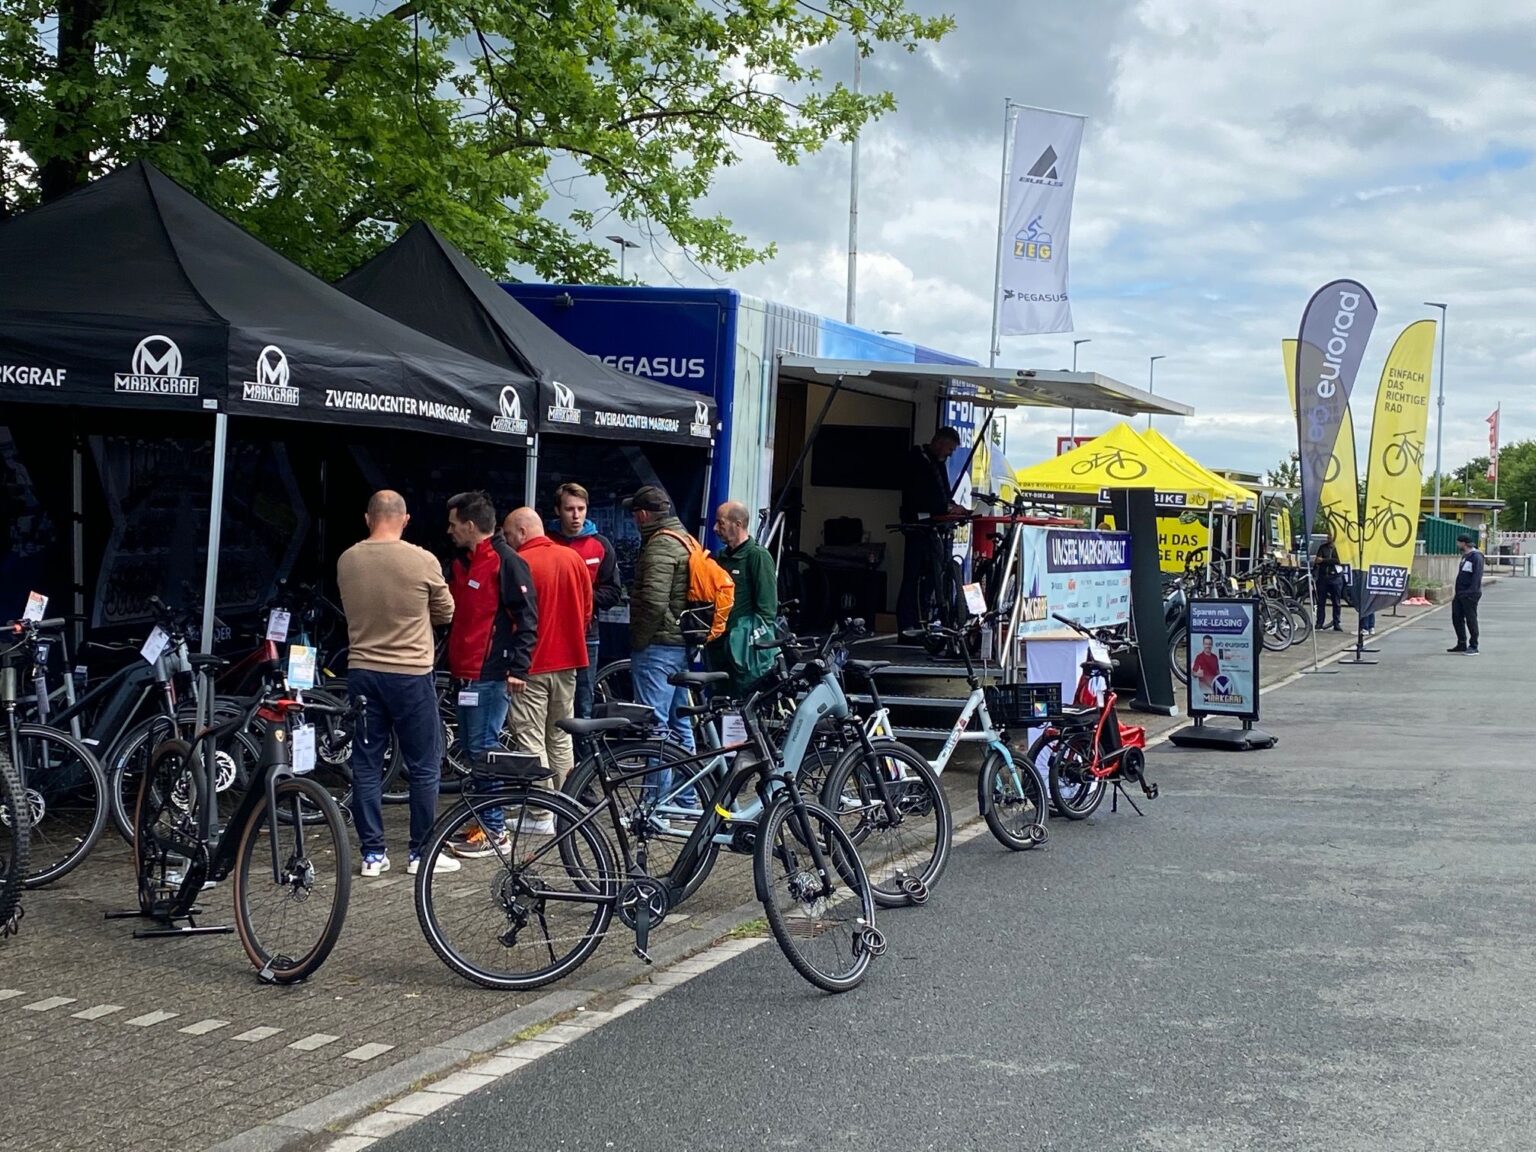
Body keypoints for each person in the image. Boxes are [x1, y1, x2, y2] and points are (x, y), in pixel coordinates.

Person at [336, 490, 457, 878]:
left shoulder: (347, 560)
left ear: (367, 518)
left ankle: (373, 854)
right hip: (410, 673)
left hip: (363, 672)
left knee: (367, 763)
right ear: (405, 520)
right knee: (423, 765)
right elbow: (446, 611)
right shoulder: (422, 560)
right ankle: (421, 853)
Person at [443, 490, 537, 858]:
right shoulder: (463, 562)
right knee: (473, 749)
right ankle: (485, 821)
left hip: (490, 673)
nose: (448, 531)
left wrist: (519, 667)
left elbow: (528, 616)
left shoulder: (506, 561)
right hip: (465, 673)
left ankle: (495, 829)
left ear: (469, 525)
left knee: (483, 750)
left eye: (453, 524)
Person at [501, 507, 593, 831]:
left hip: (531, 665)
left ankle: (541, 815)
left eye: (509, 534)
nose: (508, 542)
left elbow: (514, 618)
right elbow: (586, 610)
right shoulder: (572, 559)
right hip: (569, 660)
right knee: (559, 736)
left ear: (523, 531)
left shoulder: (519, 564)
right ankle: (564, 809)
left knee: (529, 736)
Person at [624, 484, 696, 752]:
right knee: (681, 724)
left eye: (634, 514)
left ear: (643, 515)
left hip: (658, 647)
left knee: (655, 727)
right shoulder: (684, 538)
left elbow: (654, 602)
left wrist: (639, 640)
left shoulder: (660, 546)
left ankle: (656, 794)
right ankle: (687, 793)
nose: (633, 519)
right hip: (680, 645)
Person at [547, 482, 622, 719]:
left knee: (582, 701)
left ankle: (585, 755)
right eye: (570, 509)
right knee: (549, 699)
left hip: (586, 634)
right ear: (558, 510)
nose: (576, 515)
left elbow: (613, 593)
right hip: (549, 633)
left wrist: (579, 597)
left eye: (581, 508)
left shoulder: (600, 545)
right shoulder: (546, 541)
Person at [896, 427, 968, 633]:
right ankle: (908, 625)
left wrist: (953, 507)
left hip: (936, 527)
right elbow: (917, 497)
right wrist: (946, 507)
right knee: (913, 576)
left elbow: (943, 494)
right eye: (950, 449)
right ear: (939, 442)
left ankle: (927, 620)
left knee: (932, 577)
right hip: (918, 527)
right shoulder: (917, 460)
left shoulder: (938, 464)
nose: (950, 454)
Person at [708, 501, 778, 696]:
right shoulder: (719, 558)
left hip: (743, 655)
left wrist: (743, 640)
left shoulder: (758, 556)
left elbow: (767, 610)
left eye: (720, 523)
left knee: (743, 710)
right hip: (718, 650)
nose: (715, 529)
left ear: (737, 524)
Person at [1449, 532, 1484, 655]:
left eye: (1458, 542)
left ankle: (1474, 645)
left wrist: (1471, 591)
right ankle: (1461, 643)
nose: (1457, 544)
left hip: (1470, 594)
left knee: (1471, 619)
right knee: (1456, 617)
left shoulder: (1476, 556)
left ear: (1464, 543)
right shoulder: (1465, 556)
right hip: (1460, 593)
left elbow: (1477, 576)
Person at [1312, 530, 1344, 631]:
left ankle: (1336, 623)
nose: (1328, 537)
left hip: (1335, 578)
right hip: (1323, 578)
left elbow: (1339, 561)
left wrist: (1324, 561)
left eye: (1330, 535)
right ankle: (1319, 622)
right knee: (1321, 602)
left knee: (1336, 602)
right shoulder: (1323, 547)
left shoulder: (1339, 549)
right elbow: (1317, 560)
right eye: (1328, 535)